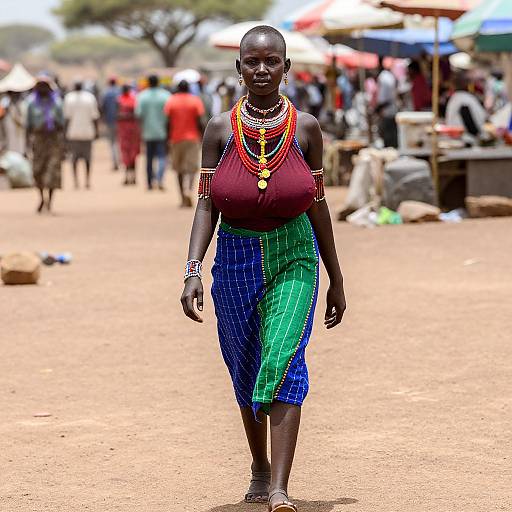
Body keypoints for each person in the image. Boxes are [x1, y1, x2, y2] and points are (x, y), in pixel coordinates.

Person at [180, 26, 346, 512]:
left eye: (271, 62)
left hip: (295, 254)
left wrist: (336, 276)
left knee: (284, 356)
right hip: (234, 257)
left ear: (287, 68)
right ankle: (257, 465)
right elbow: (206, 206)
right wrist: (193, 268)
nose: (261, 70)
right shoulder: (219, 130)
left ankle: (279, 487)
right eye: (251, 62)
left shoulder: (308, 129)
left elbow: (319, 207)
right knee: (245, 363)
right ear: (238, 69)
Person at [26, 76, 64, 214]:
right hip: (38, 141)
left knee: (53, 171)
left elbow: (62, 124)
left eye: (45, 86)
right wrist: (27, 145)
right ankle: (42, 198)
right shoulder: (31, 104)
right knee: (38, 171)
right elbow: (28, 126)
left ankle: (50, 202)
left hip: (53, 140)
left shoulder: (57, 103)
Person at [164, 80, 205, 206]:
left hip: (176, 138)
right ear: (188, 88)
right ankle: (189, 190)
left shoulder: (171, 101)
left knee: (179, 169)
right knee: (192, 168)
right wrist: (203, 136)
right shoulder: (195, 100)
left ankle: (182, 195)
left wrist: (167, 138)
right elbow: (200, 121)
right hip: (192, 138)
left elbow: (167, 122)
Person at [135, 75, 171, 190]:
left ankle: (150, 182)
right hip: (162, 132)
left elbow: (138, 114)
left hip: (148, 132)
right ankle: (160, 179)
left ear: (148, 83)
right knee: (161, 156)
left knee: (149, 158)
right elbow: (170, 115)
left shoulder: (142, 96)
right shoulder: (166, 95)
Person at [64, 81, 100, 189]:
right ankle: (87, 180)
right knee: (87, 159)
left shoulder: (69, 98)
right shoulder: (90, 98)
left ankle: (76, 181)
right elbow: (95, 117)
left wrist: (65, 132)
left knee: (74, 160)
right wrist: (96, 131)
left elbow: (66, 118)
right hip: (87, 133)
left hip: (73, 133)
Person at [446, 72, 487, 140]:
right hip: (466, 139)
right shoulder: (463, 98)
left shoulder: (458, 97)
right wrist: (477, 135)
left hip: (464, 138)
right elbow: (468, 120)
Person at [117, 84, 141, 186]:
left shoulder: (132, 100)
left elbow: (137, 114)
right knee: (126, 154)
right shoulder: (121, 99)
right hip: (125, 131)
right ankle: (128, 177)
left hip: (131, 131)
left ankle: (132, 177)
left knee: (132, 154)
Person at [376, 57, 398, 148]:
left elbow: (383, 99)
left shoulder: (383, 77)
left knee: (388, 141)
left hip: (387, 112)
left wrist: (377, 110)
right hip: (391, 111)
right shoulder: (389, 75)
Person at [101, 77, 120, 171]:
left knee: (112, 142)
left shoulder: (106, 93)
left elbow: (102, 107)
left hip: (110, 121)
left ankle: (115, 162)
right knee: (119, 142)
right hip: (121, 121)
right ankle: (120, 161)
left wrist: (103, 119)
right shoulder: (120, 92)